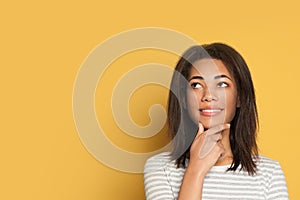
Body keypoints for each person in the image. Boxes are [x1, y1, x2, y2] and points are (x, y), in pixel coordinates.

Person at [143, 43, 289, 199]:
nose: (209, 95)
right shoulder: (160, 168)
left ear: (239, 97)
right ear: (183, 99)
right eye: (196, 85)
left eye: (222, 84)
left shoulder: (269, 173)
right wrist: (196, 170)